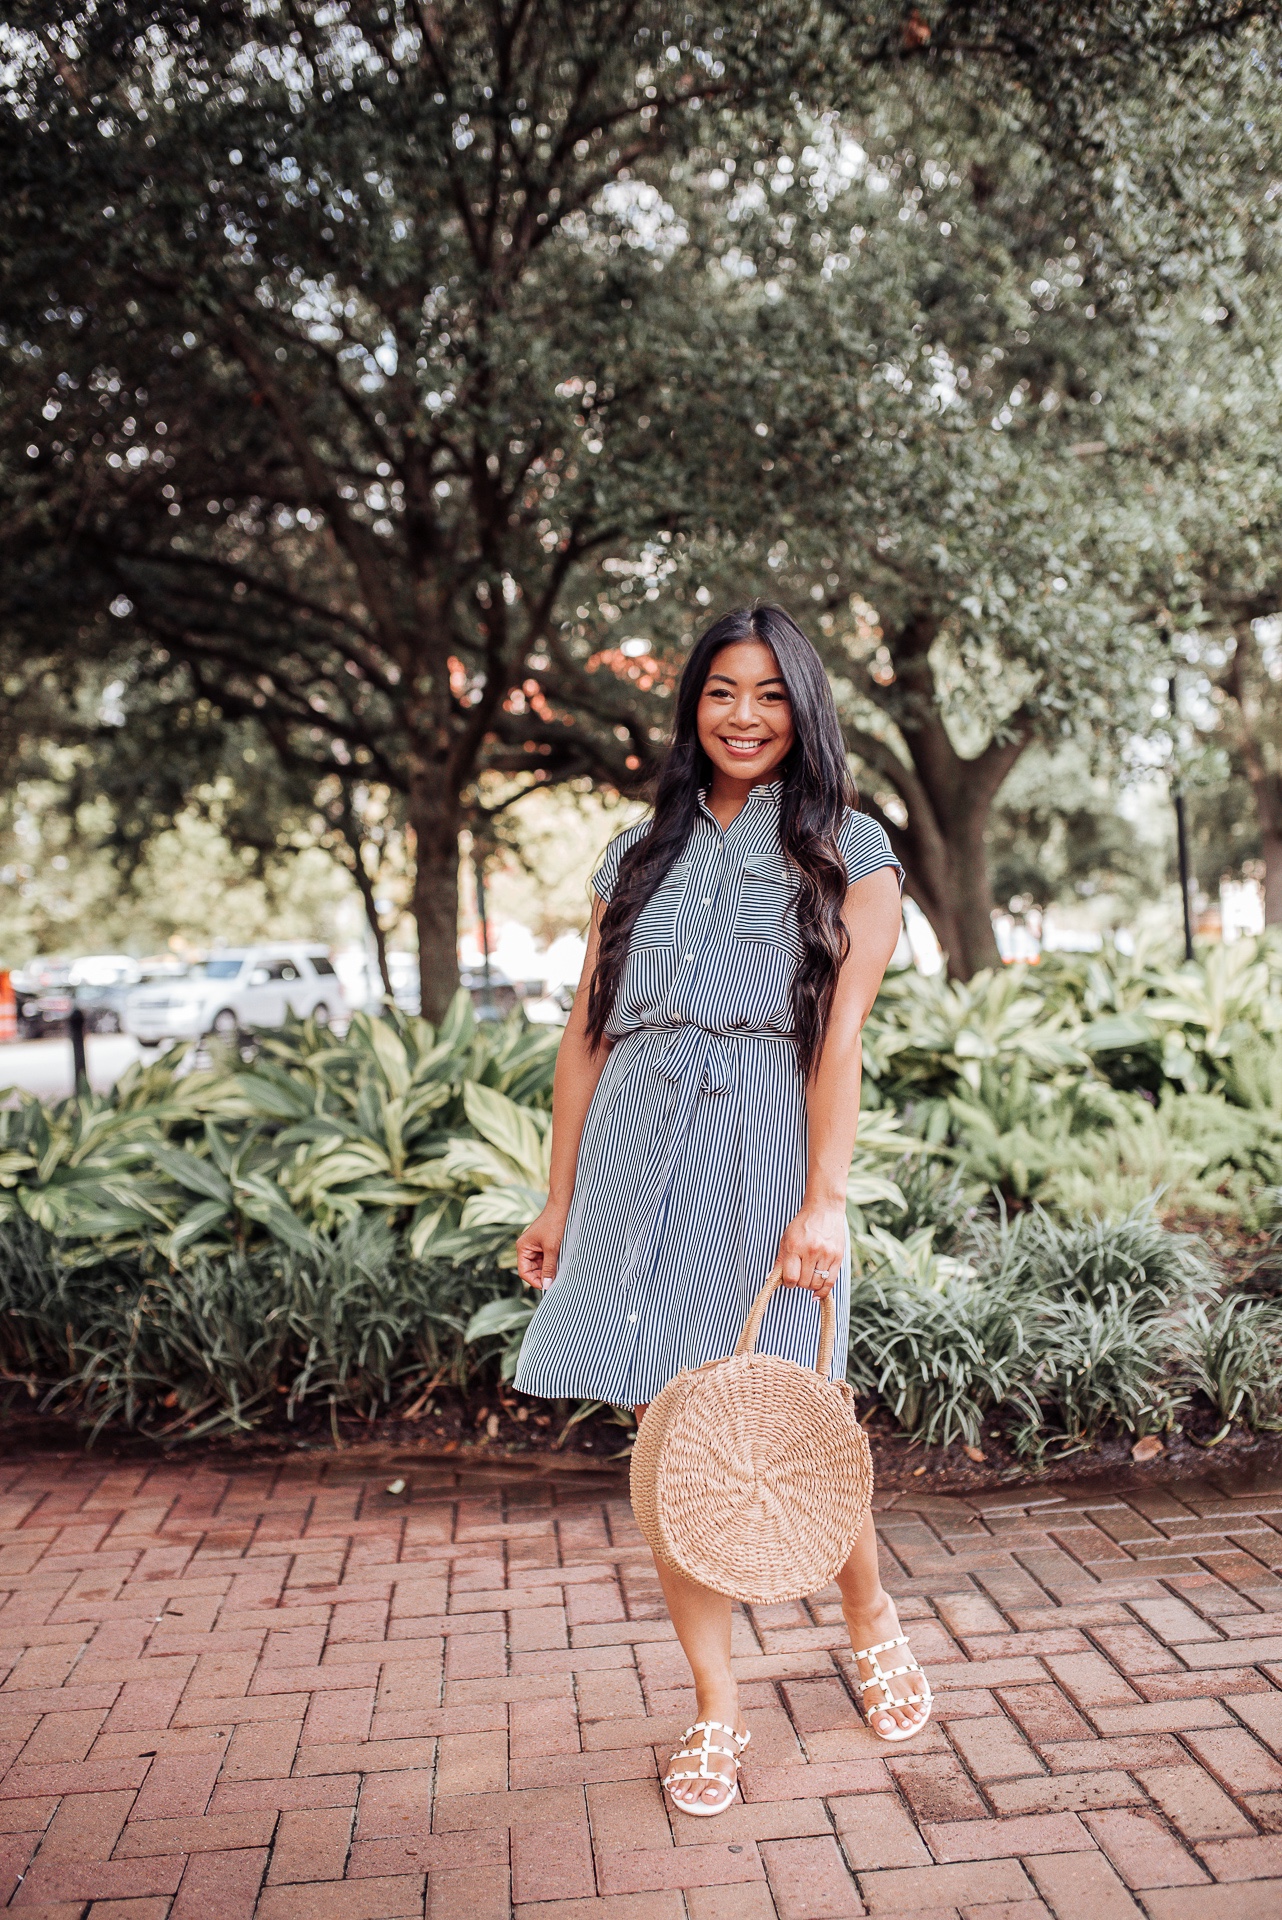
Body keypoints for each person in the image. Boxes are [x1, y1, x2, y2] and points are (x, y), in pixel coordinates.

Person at [513, 604, 930, 1817]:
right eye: (719, 694)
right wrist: (558, 1193)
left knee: (791, 1418)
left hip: (764, 1141)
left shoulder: (850, 848)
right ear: (690, 708)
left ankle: (867, 1619)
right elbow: (585, 1036)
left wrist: (824, 1203)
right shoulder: (632, 856)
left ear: (803, 709)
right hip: (637, 1154)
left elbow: (838, 1037)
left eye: (768, 695)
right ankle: (715, 1706)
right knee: (672, 1439)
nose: (743, 717)